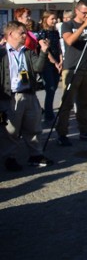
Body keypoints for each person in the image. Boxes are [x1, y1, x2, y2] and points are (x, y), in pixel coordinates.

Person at [1, 21, 53, 171]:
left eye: (25, 32)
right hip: (11, 97)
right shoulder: (2, 53)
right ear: (11, 34)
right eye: (21, 33)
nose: (25, 35)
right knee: (11, 130)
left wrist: (43, 51)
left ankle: (36, 155)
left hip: (29, 94)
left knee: (34, 127)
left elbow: (38, 67)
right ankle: (10, 158)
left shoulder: (28, 52)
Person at [56, 0, 87, 146]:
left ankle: (84, 130)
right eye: (84, 13)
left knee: (85, 103)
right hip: (72, 68)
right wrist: (84, 25)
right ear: (77, 11)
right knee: (67, 104)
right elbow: (69, 41)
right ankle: (62, 133)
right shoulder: (68, 24)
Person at [36, 11, 62, 124]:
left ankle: (49, 112)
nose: (54, 21)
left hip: (57, 62)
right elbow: (46, 51)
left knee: (54, 88)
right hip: (47, 64)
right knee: (50, 89)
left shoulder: (55, 32)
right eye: (52, 18)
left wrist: (61, 60)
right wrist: (55, 62)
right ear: (46, 19)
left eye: (55, 18)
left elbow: (59, 47)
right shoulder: (42, 33)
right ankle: (49, 115)